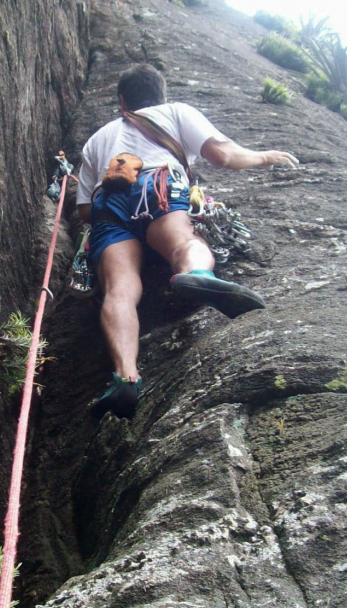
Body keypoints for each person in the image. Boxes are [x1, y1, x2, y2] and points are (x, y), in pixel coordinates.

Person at [76, 63, 298, 419]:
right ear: (161, 94)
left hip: (108, 205)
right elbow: (222, 155)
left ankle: (125, 378)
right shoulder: (176, 112)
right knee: (182, 241)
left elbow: (84, 210)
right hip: (157, 187)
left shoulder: (97, 139)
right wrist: (265, 157)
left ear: (123, 101)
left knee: (119, 287)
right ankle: (197, 275)